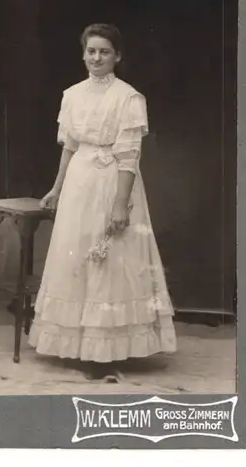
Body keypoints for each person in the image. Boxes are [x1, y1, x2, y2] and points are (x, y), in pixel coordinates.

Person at [29, 23, 177, 379]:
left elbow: (129, 157)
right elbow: (70, 148)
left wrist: (120, 204)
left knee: (110, 260)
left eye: (105, 52)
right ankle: (76, 344)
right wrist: (56, 189)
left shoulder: (128, 98)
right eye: (91, 51)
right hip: (80, 182)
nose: (97, 58)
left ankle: (105, 351)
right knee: (77, 255)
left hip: (113, 182)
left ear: (118, 56)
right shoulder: (72, 95)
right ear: (83, 54)